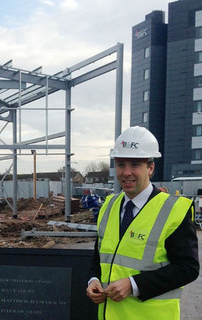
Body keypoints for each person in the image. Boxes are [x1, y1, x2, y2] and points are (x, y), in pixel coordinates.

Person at [86, 126, 199, 320]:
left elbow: (188, 268)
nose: (126, 172)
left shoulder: (174, 211)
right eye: (121, 164)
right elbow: (99, 257)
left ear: (150, 168)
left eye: (135, 164)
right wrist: (93, 280)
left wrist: (134, 285)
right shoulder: (108, 207)